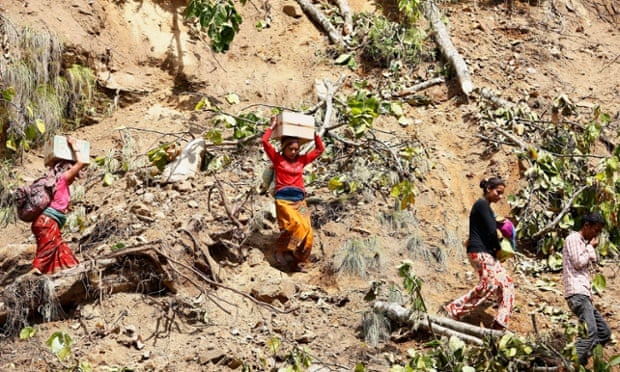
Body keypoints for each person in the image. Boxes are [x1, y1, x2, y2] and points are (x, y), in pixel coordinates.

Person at [442, 177, 515, 330]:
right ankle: (453, 310)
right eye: (498, 192)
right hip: (481, 252)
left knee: (506, 283)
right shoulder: (482, 205)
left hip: (484, 253)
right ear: (488, 189)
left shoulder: (486, 208)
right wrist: (498, 249)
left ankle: (500, 323)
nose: (500, 197)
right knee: (489, 284)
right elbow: (491, 233)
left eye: (502, 194)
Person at [262, 116, 324, 272]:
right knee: (294, 226)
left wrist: (314, 132)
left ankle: (299, 259)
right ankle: (281, 251)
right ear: (284, 148)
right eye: (291, 149)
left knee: (308, 230)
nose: (294, 152)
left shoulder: (302, 160)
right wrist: (272, 126)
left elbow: (319, 149)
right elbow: (265, 142)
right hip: (284, 201)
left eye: (296, 149)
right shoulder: (277, 159)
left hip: (300, 202)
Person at [29, 137, 87, 275]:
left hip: (44, 222)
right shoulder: (63, 178)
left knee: (61, 249)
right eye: (73, 171)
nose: (74, 176)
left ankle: (72, 269)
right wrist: (74, 146)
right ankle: (33, 275)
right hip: (47, 222)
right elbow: (82, 162)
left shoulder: (53, 181)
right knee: (46, 251)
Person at [562, 211, 611, 366]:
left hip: (584, 294)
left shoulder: (583, 242)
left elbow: (591, 262)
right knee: (590, 333)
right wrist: (590, 248)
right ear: (586, 225)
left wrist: (590, 248)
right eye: (595, 230)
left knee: (604, 333)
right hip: (577, 293)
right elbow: (578, 262)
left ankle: (580, 359)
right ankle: (568, 364)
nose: (596, 234)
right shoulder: (573, 239)